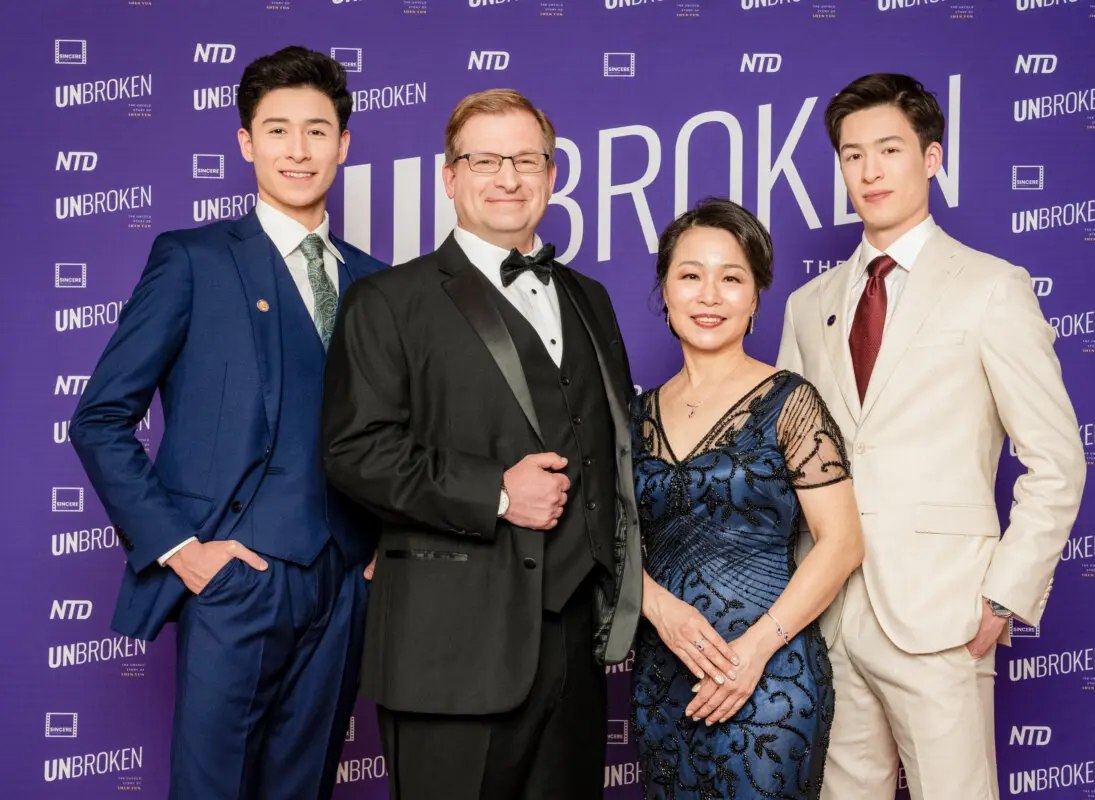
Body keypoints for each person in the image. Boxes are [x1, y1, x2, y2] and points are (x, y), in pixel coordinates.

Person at [69, 46, 385, 800]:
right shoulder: (191, 260)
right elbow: (100, 418)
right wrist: (183, 550)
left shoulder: (377, 281)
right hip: (234, 580)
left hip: (344, 584)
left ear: (344, 144)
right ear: (246, 143)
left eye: (317, 131)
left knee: (303, 789)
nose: (298, 150)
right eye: (277, 130)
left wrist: (385, 551)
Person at [320, 88, 642, 800]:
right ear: (450, 176)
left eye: (527, 160)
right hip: (450, 647)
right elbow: (354, 450)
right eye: (486, 160)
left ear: (552, 176)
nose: (508, 178)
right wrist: (495, 492)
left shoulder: (591, 296)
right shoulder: (387, 300)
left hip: (576, 646)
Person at [776, 73, 1087, 800]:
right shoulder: (807, 304)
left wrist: (1005, 594)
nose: (870, 171)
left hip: (944, 614)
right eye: (853, 156)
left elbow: (1056, 460)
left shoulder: (991, 286)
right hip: (832, 614)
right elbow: (787, 458)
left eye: (889, 149)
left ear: (932, 158)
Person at [631, 197, 865, 800]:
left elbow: (841, 543)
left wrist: (753, 651)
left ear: (756, 296)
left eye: (731, 278)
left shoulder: (790, 401)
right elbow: (608, 540)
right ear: (665, 289)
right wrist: (655, 606)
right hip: (664, 678)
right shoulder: (630, 415)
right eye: (690, 276)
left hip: (770, 681)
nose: (709, 296)